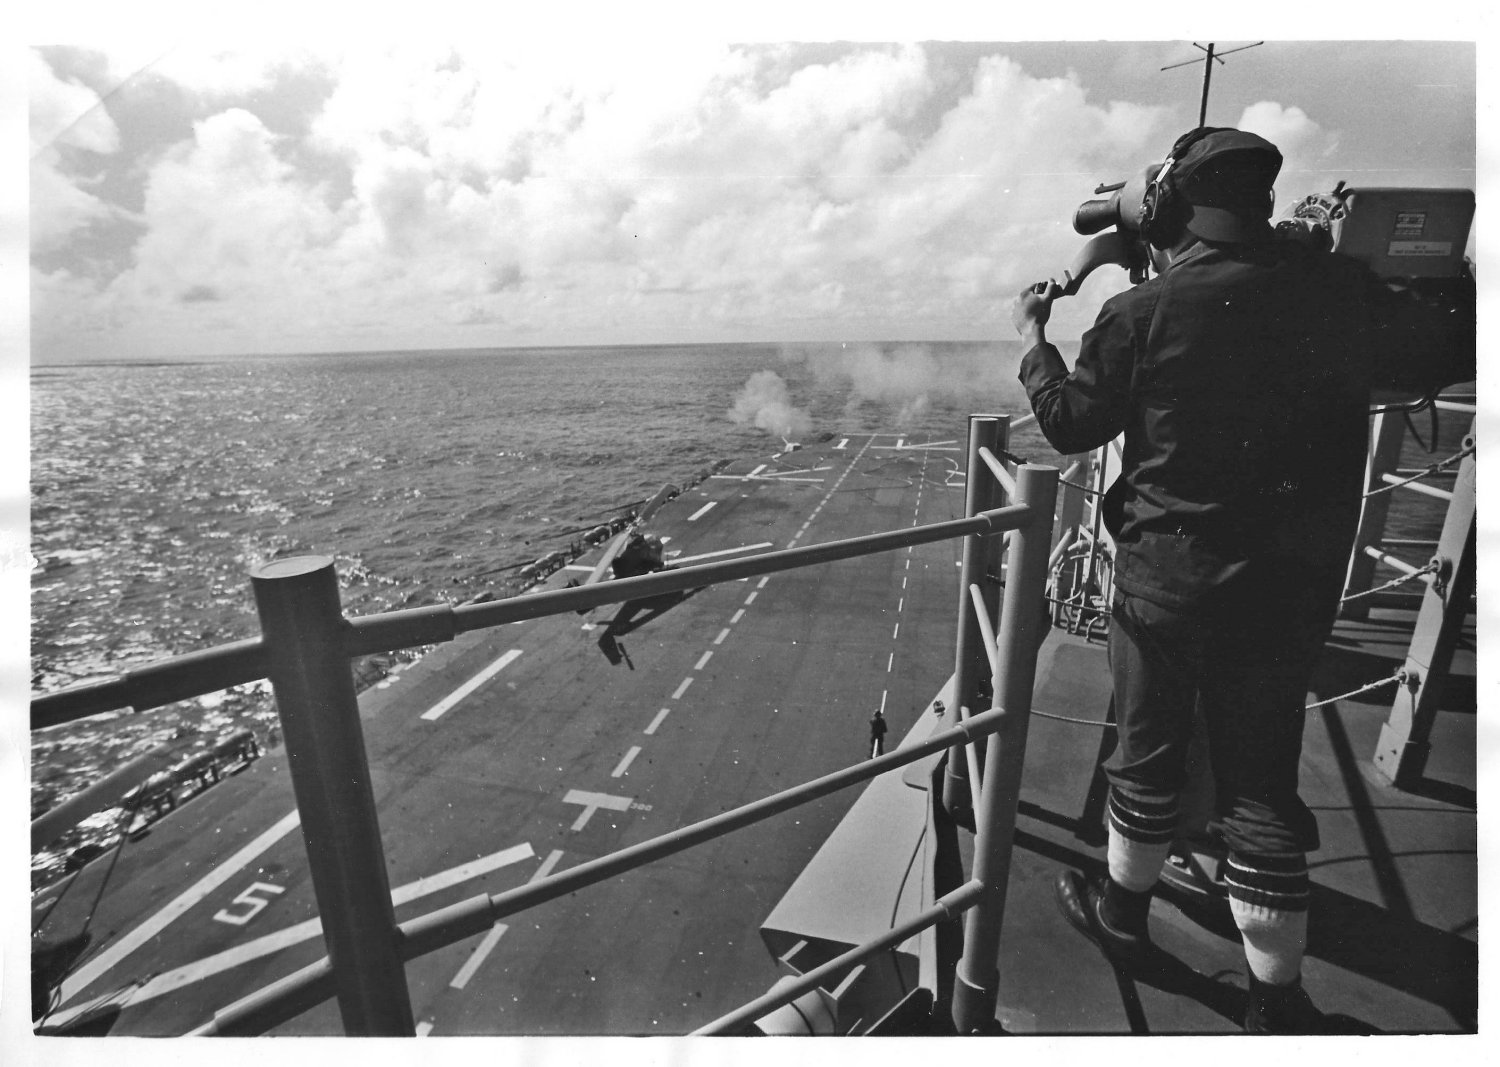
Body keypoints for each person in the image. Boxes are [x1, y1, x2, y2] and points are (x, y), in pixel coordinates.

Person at [1008, 127, 1472, 1033]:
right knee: (1260, 789)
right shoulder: (1340, 292)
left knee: (1145, 764)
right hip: (1289, 591)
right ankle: (1277, 999)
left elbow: (1068, 422)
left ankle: (1124, 919)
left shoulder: (1144, 313)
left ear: (1168, 209)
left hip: (1168, 585)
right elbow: (1444, 349)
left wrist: (1034, 334)